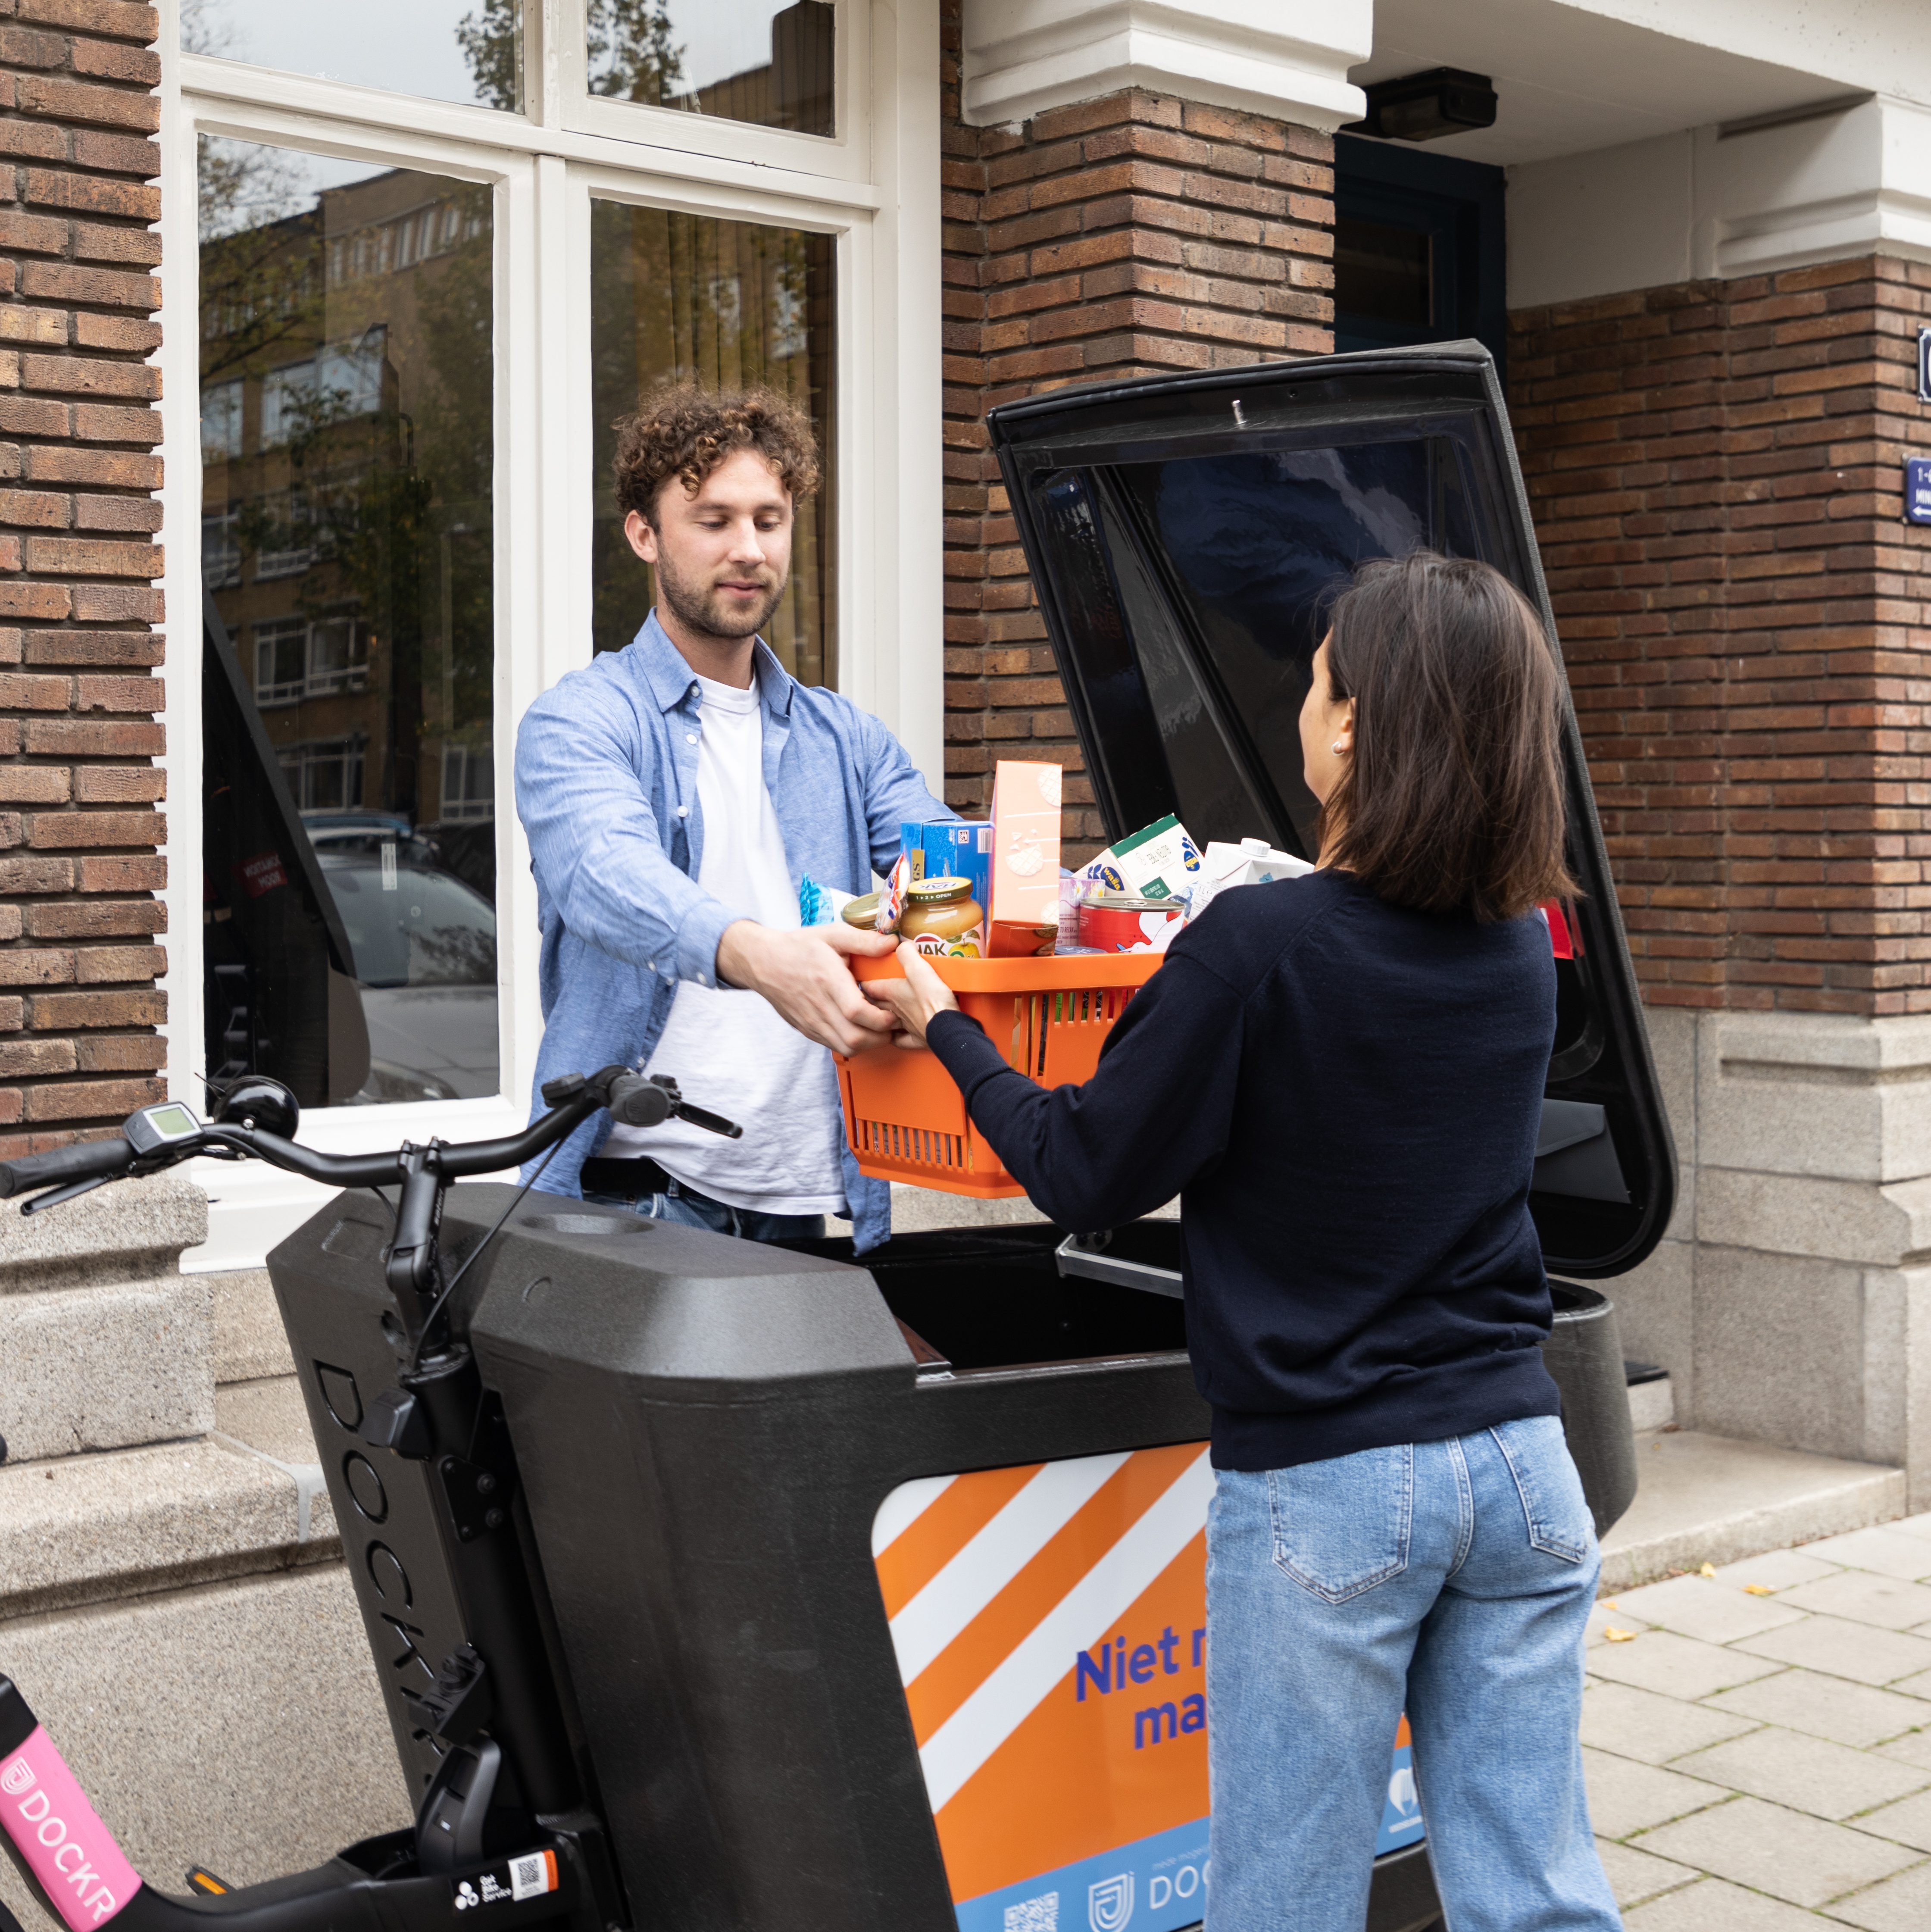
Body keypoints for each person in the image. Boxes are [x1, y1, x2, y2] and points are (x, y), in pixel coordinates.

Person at [867, 552, 1621, 1930]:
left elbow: (1084, 1163)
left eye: (1320, 677)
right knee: (1538, 1896)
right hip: (1520, 1467)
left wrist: (948, 1027)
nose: (1306, 701)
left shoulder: (1255, 944)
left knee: (1285, 1903)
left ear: (1351, 728)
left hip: (1332, 1482)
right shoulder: (1523, 947)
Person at [514, 384, 950, 1247]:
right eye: (712, 520)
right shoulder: (581, 720)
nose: (747, 549)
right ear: (644, 533)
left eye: (768, 519)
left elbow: (947, 878)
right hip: (634, 1196)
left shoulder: (845, 737)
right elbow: (606, 877)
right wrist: (762, 957)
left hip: (801, 1197)